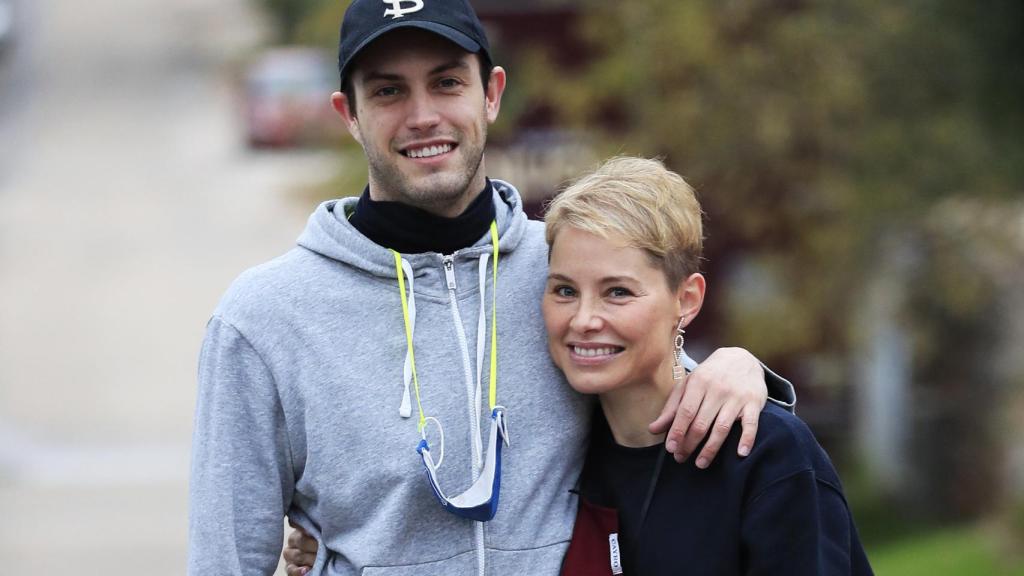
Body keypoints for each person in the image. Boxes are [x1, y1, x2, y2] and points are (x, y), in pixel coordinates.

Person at [189, 1, 796, 574]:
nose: (423, 114)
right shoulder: (264, 318)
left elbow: (664, 389)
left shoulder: (563, 271)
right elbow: (225, 558)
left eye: (447, 82)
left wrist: (741, 369)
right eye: (388, 90)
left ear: (492, 95)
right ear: (349, 114)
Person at [544, 157, 871, 574]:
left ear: (687, 300)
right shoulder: (557, 453)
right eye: (565, 290)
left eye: (618, 292)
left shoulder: (766, 454)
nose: (583, 319)